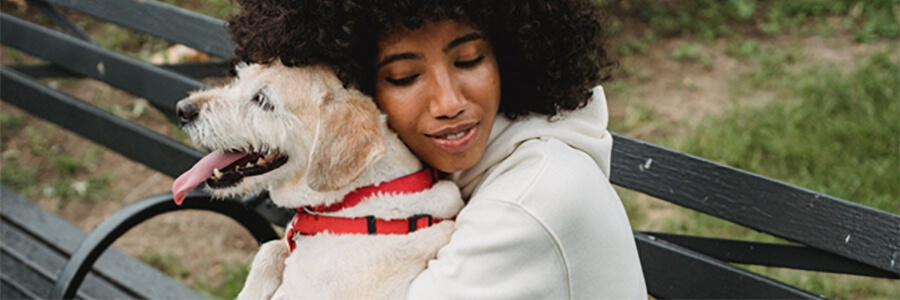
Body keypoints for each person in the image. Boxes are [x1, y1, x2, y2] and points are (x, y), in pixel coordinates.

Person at [228, 0, 647, 298]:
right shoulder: (466, 169)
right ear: (359, 90)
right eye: (406, 77)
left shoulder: (530, 201)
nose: (449, 104)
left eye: (468, 60)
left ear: (509, 56)